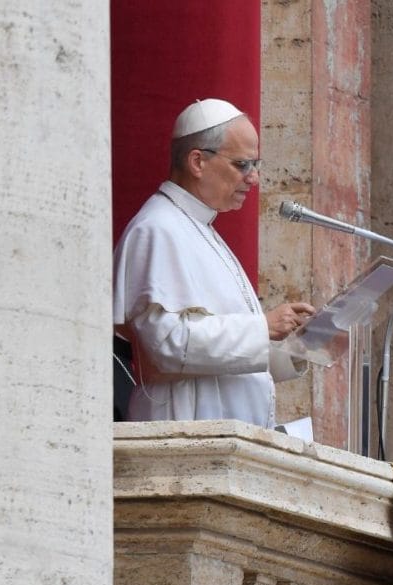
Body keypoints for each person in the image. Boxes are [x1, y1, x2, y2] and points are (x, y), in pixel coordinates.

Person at [113, 98, 314, 426]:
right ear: (197, 161)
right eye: (242, 165)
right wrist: (263, 327)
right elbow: (167, 344)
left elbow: (230, 359)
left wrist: (302, 345)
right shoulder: (157, 228)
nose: (254, 179)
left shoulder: (202, 231)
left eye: (256, 165)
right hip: (185, 433)